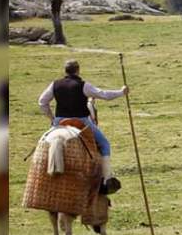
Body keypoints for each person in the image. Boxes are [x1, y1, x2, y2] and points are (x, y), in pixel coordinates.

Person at [38, 60, 128, 193]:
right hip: (81, 120)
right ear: (78, 70)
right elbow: (104, 95)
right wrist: (121, 92)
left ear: (65, 71)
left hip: (60, 121)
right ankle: (106, 180)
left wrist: (52, 118)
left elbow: (42, 102)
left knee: (43, 143)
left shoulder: (54, 85)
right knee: (104, 144)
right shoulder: (83, 86)